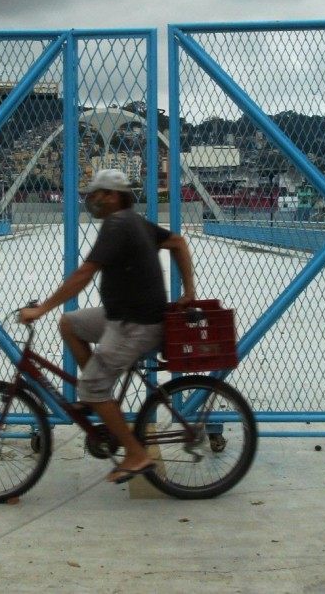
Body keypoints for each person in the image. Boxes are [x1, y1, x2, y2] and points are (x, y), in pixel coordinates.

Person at [18, 168, 196, 484]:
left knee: (92, 386)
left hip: (135, 325)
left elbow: (83, 274)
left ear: (112, 196)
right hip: (122, 317)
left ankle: (135, 453)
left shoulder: (118, 224)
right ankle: (98, 396)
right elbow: (179, 242)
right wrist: (189, 291)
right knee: (70, 324)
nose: (92, 200)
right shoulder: (133, 221)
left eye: (96, 194)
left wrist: (42, 308)